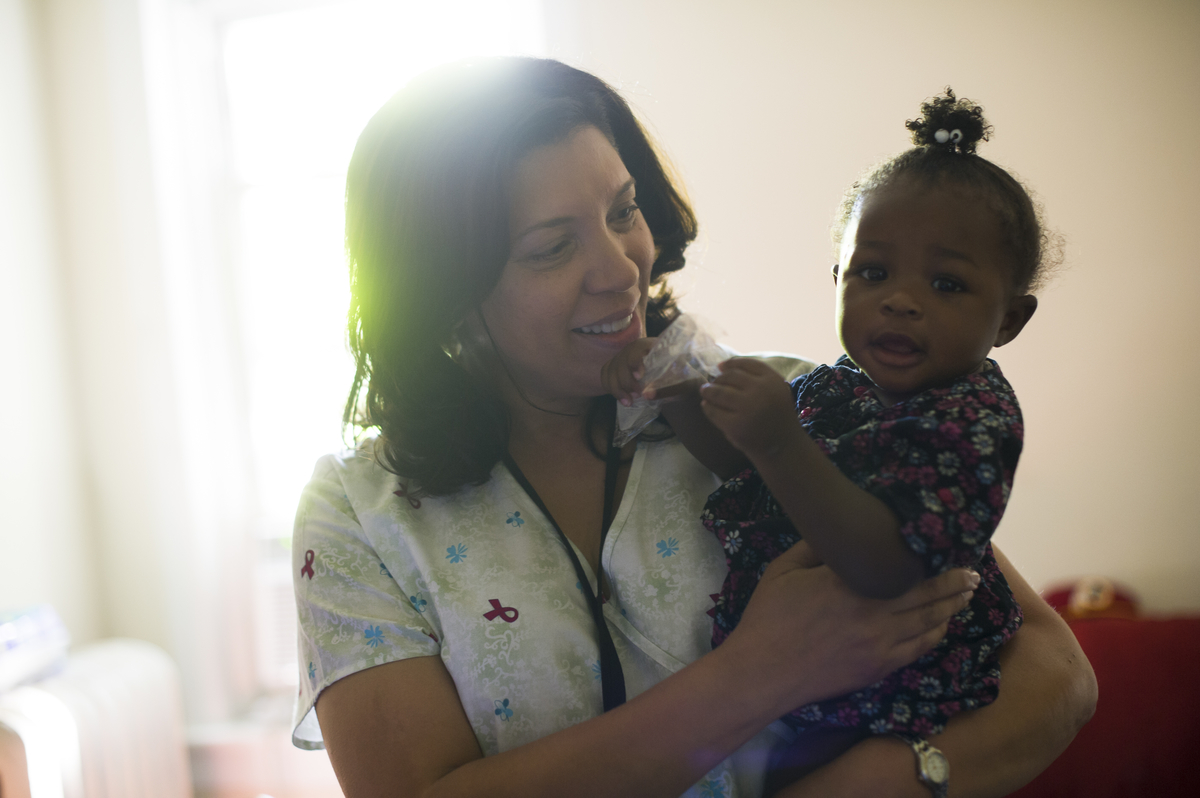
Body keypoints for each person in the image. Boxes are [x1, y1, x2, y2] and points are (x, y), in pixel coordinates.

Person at [291, 57, 1095, 798]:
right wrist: (758, 673)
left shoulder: (789, 402)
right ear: (440, 287)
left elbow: (1056, 672)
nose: (621, 270)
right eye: (550, 247)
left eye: (623, 210)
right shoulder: (359, 514)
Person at [604, 89, 1051, 783]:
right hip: (817, 708)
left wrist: (781, 439)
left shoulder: (971, 422)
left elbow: (886, 567)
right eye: (873, 273)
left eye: (947, 283)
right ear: (838, 278)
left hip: (902, 711)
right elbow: (750, 474)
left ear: (1010, 321)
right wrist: (681, 396)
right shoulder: (840, 385)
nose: (902, 299)